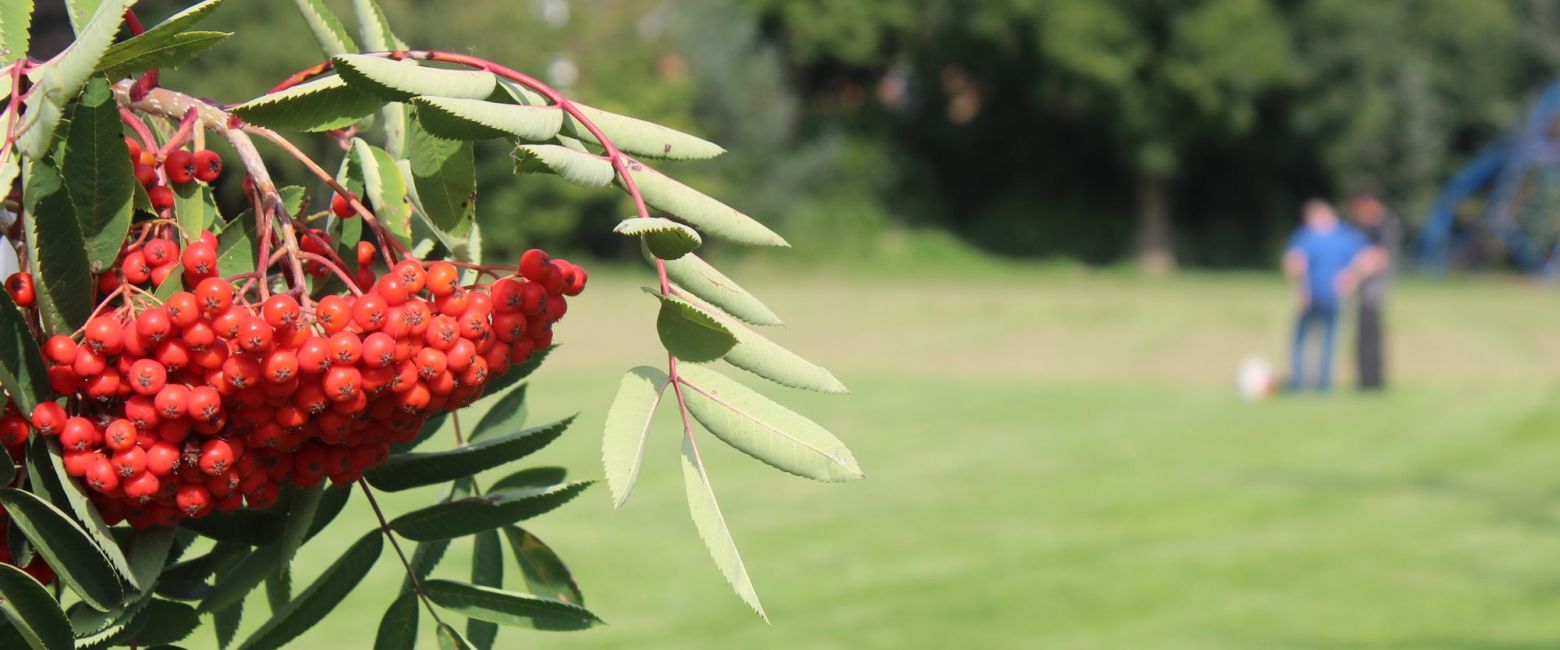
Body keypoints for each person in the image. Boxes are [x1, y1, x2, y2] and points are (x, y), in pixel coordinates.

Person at [1283, 199, 1367, 392]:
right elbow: (1365, 258)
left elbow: (1294, 262)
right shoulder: (1346, 235)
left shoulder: (1308, 235)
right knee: (1328, 338)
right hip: (1331, 295)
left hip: (1313, 294)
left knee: (1303, 337)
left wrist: (1299, 290)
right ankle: (1323, 382)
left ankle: (1300, 381)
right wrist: (1352, 277)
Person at [1348, 193, 1400, 391]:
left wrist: (1353, 277)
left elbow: (1379, 257)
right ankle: (1367, 379)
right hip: (1367, 287)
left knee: (1370, 335)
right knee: (1364, 335)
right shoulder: (1372, 227)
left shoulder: (1384, 226)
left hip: (1374, 288)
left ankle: (1371, 381)